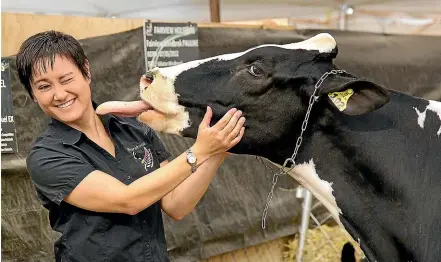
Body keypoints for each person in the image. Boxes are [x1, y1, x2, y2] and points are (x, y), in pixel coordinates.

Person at [16, 30, 246, 262]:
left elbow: (176, 204)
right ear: (33, 94)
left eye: (66, 79)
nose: (59, 94)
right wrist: (199, 151)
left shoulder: (133, 130)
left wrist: (218, 151)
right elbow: (128, 200)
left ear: (86, 71)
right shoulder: (46, 156)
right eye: (44, 87)